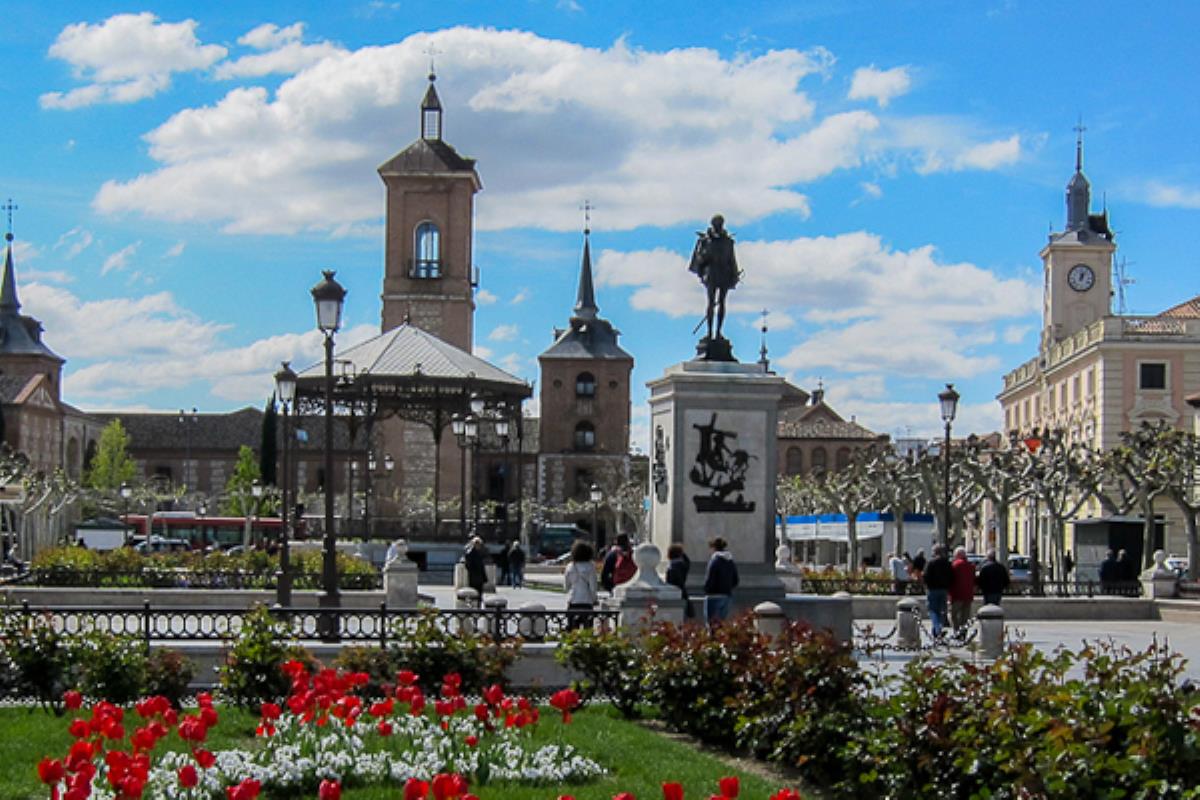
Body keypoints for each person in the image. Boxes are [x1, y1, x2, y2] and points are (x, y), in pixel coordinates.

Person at [687, 214, 740, 342]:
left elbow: (732, 259)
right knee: (711, 302)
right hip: (711, 273)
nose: (718, 226)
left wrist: (734, 274)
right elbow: (698, 259)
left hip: (724, 273)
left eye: (720, 224)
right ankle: (710, 332)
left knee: (722, 302)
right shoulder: (705, 241)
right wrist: (704, 254)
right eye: (716, 224)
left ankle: (718, 333)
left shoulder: (728, 241)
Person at [703, 537, 738, 626]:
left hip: (713, 595)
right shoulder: (730, 561)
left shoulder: (714, 561)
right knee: (721, 624)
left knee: (711, 624)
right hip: (726, 595)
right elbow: (736, 580)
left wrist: (707, 589)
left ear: (713, 548)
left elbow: (710, 578)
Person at [563, 540, 599, 630]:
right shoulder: (590, 567)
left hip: (573, 601)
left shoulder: (570, 566)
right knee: (587, 632)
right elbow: (593, 587)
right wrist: (594, 599)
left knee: (572, 632)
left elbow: (566, 587)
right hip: (587, 602)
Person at [922, 545, 953, 638]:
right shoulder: (947, 563)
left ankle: (937, 629)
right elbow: (951, 576)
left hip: (933, 589)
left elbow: (926, 576)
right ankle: (939, 628)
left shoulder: (931, 563)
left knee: (933, 610)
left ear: (935, 552)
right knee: (942, 610)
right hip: (943, 589)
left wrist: (927, 585)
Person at [949, 547, 976, 634]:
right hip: (968, 594)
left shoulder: (955, 565)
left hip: (957, 594)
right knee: (965, 616)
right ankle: (963, 633)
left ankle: (957, 631)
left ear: (958, 555)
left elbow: (951, 580)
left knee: (953, 614)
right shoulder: (971, 566)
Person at [665, 543, 692, 618]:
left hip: (673, 595)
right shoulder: (683, 565)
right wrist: (681, 552)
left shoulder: (672, 568)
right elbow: (688, 561)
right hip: (683, 594)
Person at [463, 536, 487, 604]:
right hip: (474, 576)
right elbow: (468, 565)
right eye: (479, 544)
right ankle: (473, 607)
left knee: (479, 594)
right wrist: (473, 570)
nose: (480, 546)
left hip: (479, 576)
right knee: (473, 593)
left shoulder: (479, 552)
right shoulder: (470, 553)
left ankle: (478, 606)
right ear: (475, 544)